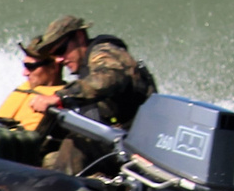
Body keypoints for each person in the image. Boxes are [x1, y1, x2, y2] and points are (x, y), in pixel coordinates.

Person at [22, 15, 157, 175]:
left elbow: (105, 80)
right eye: (54, 55)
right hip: (117, 145)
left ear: (79, 37)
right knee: (49, 158)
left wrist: (59, 97)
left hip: (136, 148)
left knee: (76, 144)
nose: (59, 60)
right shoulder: (86, 69)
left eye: (61, 50)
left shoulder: (105, 52)